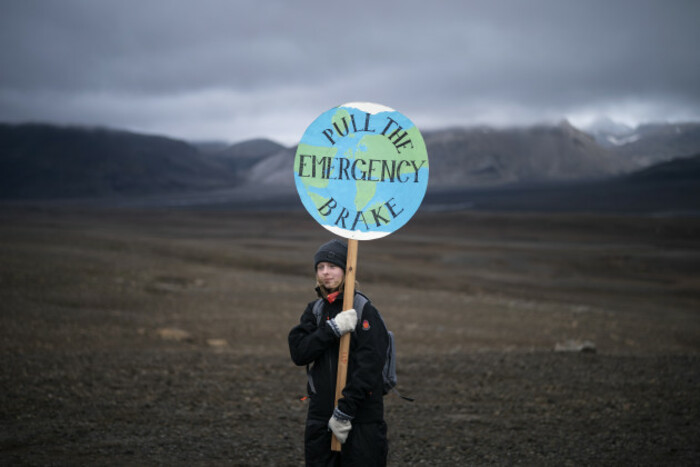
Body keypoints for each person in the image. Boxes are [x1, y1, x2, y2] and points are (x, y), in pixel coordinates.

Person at [289, 239, 389, 466]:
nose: (325, 273)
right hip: (321, 415)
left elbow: (370, 366)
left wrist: (345, 411)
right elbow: (299, 353)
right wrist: (331, 329)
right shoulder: (315, 310)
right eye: (320, 267)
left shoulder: (364, 310)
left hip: (361, 419)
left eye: (332, 266)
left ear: (347, 270)